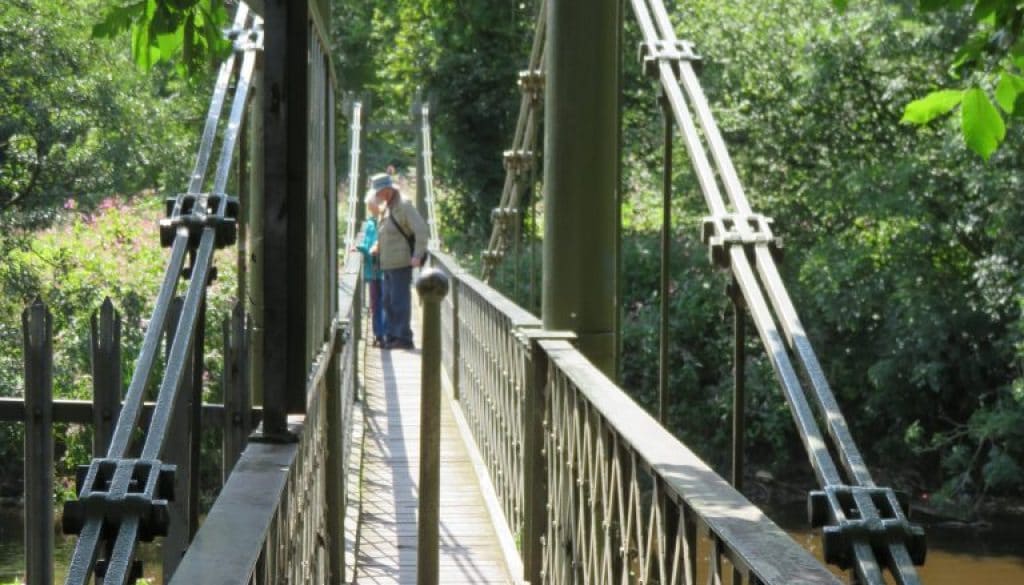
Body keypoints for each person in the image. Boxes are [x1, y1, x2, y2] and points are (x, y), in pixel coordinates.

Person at [371, 172, 428, 350]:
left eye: (378, 192)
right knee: (388, 301)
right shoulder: (387, 207)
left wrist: (418, 254)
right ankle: (392, 336)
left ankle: (403, 337)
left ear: (386, 190)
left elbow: (421, 230)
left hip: (401, 263)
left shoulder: (403, 206)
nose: (377, 196)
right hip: (387, 263)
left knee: (399, 301)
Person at [355, 192, 385, 346]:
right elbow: (364, 243)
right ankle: (378, 334)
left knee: (384, 302)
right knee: (376, 303)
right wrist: (362, 249)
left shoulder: (387, 222)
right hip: (374, 270)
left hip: (386, 269)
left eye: (370, 205)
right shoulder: (368, 224)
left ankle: (384, 334)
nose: (369, 207)